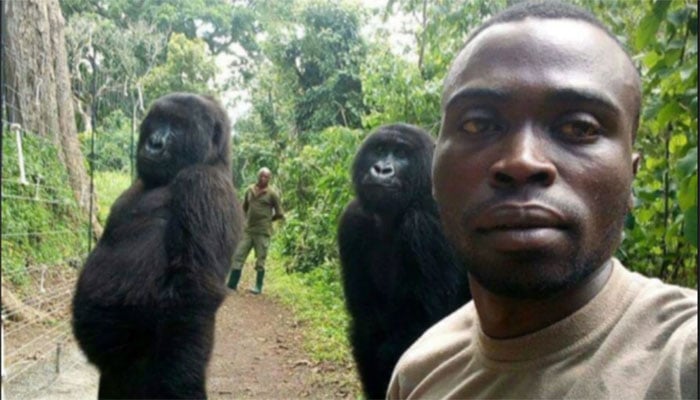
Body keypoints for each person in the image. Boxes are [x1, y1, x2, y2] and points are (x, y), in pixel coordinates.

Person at [387, 1, 698, 399]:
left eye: (578, 127)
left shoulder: (682, 359)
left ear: (630, 176)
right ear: (435, 174)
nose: (521, 161)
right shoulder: (421, 374)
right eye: (477, 123)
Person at [227, 167, 284, 294]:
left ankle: (258, 287)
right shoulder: (250, 190)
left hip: (262, 232)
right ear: (258, 176)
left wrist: (268, 220)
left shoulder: (272, 194)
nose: (264, 179)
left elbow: (280, 213)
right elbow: (243, 209)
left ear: (269, 179)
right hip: (248, 230)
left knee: (260, 259)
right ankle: (232, 284)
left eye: (266, 177)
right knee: (238, 256)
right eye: (262, 176)